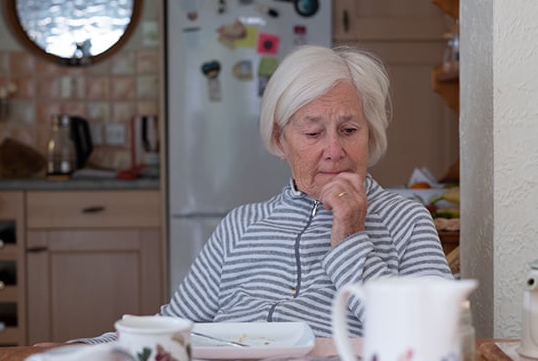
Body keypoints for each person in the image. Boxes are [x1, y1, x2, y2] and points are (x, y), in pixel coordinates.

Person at [160, 44, 452, 337]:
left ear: (370, 134)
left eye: (349, 130)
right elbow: (169, 329)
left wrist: (350, 240)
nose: (334, 151)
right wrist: (114, 348)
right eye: (313, 133)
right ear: (279, 139)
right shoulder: (241, 225)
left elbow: (437, 336)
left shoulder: (406, 221)